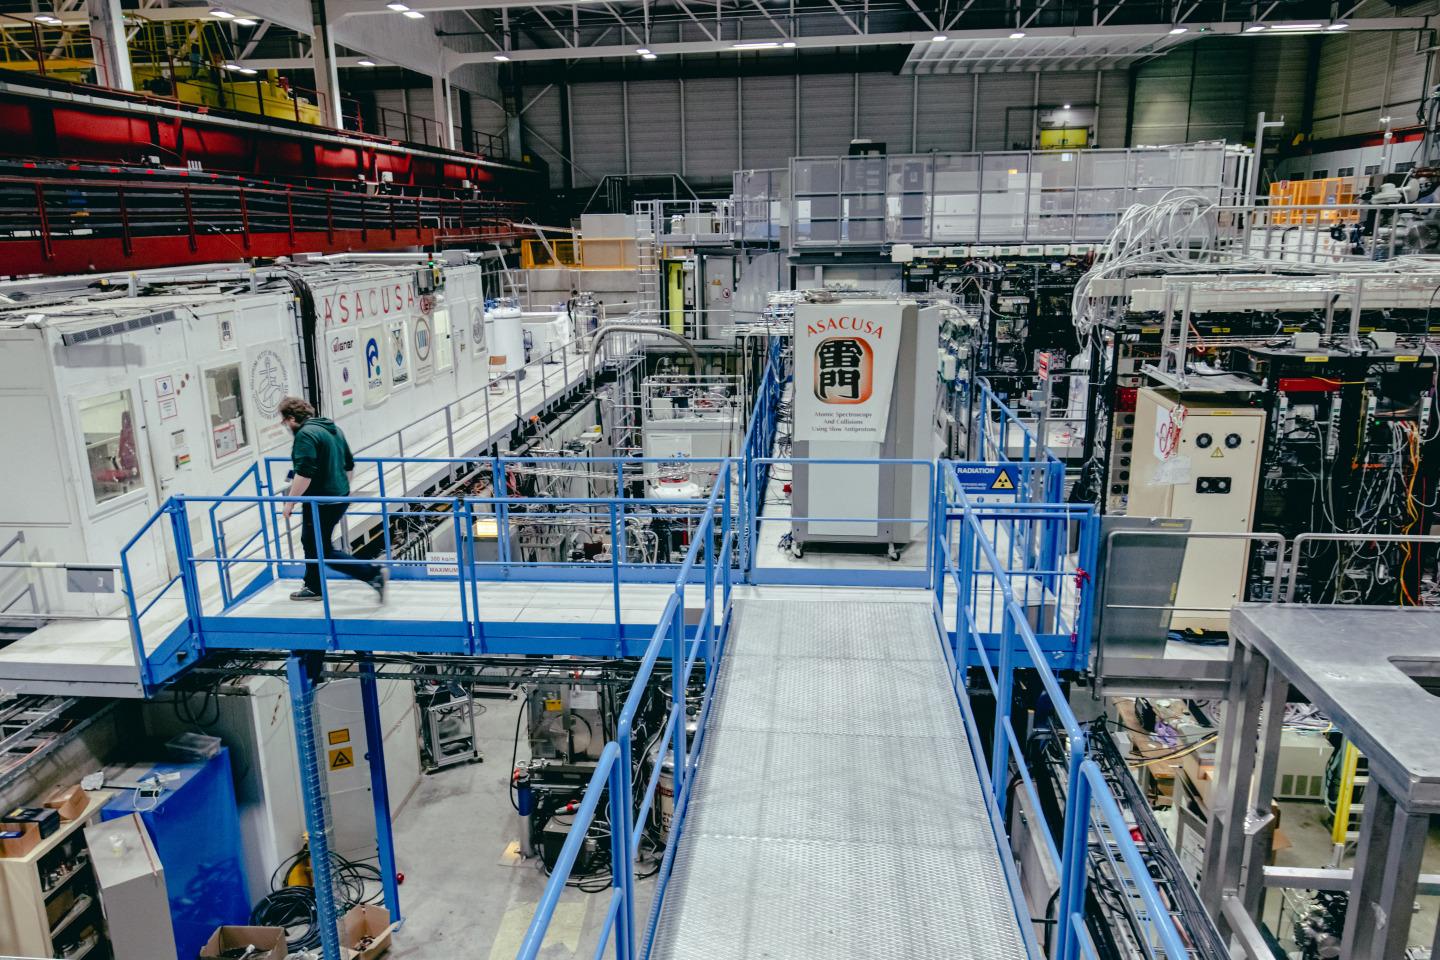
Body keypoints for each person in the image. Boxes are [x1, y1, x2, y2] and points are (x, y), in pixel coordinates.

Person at [278, 397, 386, 602]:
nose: (285, 426)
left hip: (321, 501)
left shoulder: (305, 435)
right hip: (339, 497)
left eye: (284, 422)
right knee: (312, 543)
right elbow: (349, 465)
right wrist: (342, 490)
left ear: (292, 419)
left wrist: (289, 503)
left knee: (321, 549)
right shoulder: (331, 429)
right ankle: (313, 585)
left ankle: (372, 574)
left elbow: (304, 474)